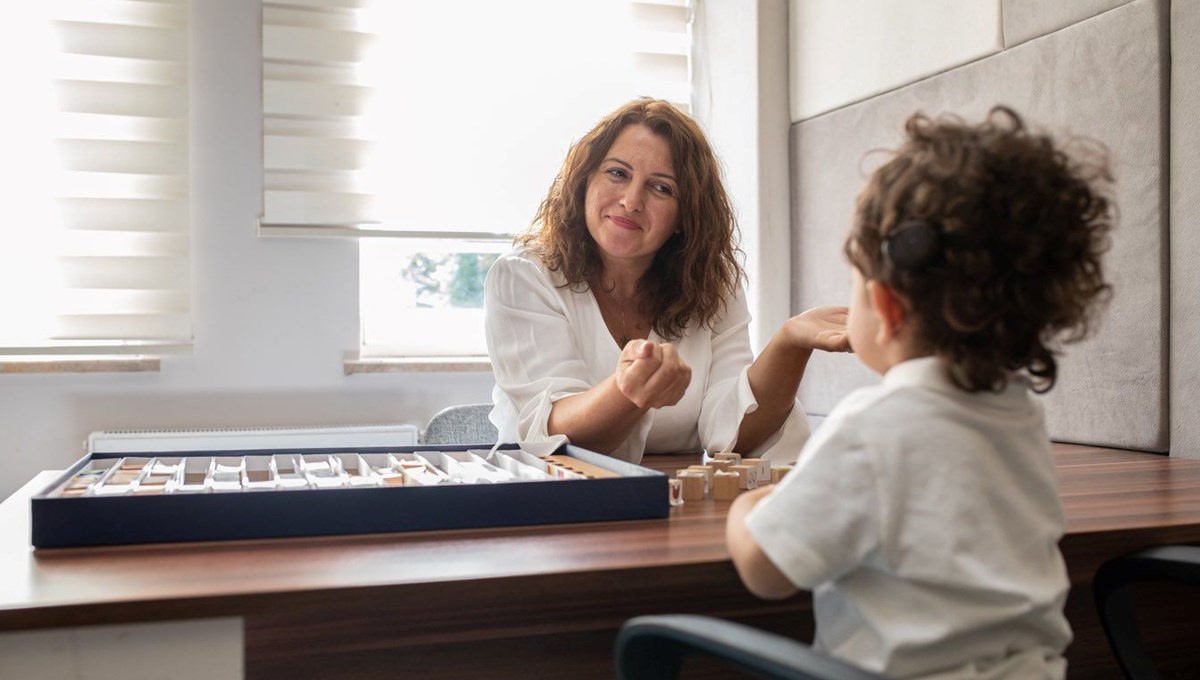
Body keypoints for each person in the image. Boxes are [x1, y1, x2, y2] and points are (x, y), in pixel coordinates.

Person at [725, 106, 1114, 679]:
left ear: (884, 307)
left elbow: (765, 569)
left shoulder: (871, 424)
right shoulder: (1019, 415)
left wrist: (748, 505)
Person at [484, 98, 849, 464]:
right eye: (617, 173)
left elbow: (732, 434)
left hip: (675, 508)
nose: (630, 201)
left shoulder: (711, 286)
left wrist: (789, 344)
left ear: (684, 216)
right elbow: (551, 429)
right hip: (549, 503)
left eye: (661, 188)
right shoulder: (524, 276)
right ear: (583, 182)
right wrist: (627, 392)